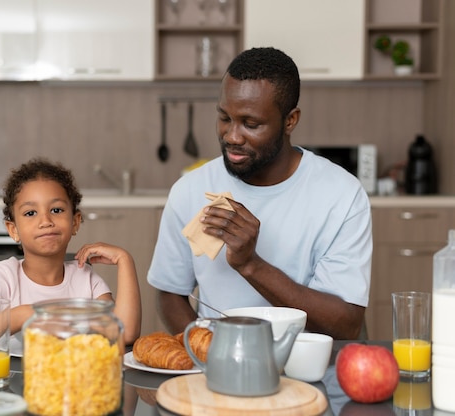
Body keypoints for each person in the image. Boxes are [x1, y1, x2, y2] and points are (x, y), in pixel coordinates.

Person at [147, 47, 372, 340]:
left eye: (251, 124)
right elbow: (170, 293)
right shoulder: (189, 190)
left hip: (309, 370)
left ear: (290, 120)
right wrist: (209, 352)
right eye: (224, 118)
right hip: (217, 370)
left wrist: (250, 264)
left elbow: (345, 324)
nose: (232, 136)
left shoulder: (341, 196)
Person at [0, 158, 142, 354]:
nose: (45, 221)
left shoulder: (85, 279)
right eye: (30, 213)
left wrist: (124, 259)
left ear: (75, 222)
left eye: (56, 210)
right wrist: (20, 315)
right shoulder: (2, 276)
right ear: (13, 230)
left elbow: (125, 334)